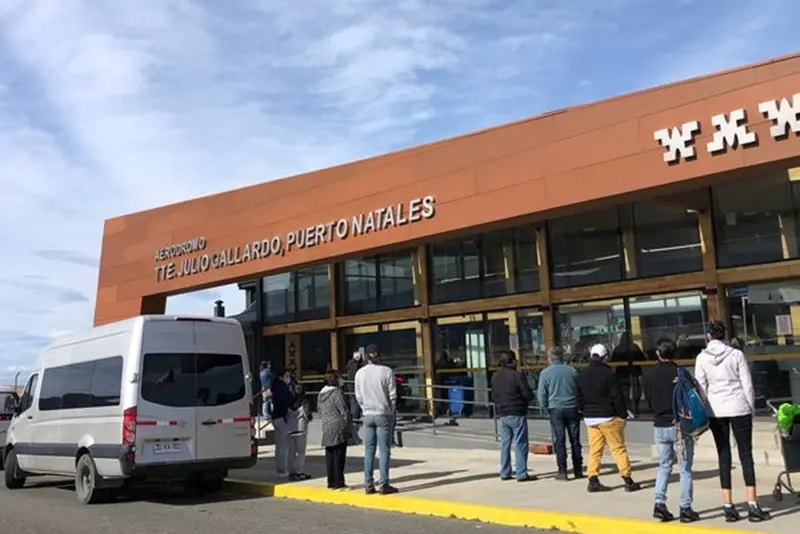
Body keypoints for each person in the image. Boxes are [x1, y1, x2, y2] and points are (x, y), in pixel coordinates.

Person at [695, 321, 770, 523]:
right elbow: (747, 383)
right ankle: (752, 504)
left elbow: (701, 387)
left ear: (709, 336)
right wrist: (751, 407)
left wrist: (704, 409)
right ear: (724, 335)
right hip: (738, 407)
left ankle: (728, 506)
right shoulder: (736, 354)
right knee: (746, 454)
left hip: (715, 409)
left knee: (723, 455)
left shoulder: (701, 358)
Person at [642, 340, 700, 523]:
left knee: (664, 465)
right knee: (685, 468)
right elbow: (693, 396)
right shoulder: (681, 373)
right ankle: (685, 508)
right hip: (679, 426)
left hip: (660, 425)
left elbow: (648, 400)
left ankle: (659, 503)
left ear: (658, 354)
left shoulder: (649, 375)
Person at [576, 343, 640, 493]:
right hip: (608, 416)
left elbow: (578, 397)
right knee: (618, 449)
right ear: (605, 357)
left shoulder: (581, 375)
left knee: (595, 449)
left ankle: (592, 479)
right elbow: (617, 397)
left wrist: (584, 411)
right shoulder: (609, 374)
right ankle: (627, 479)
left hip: (590, 418)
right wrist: (622, 415)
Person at [354, 344, 398, 495]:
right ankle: (384, 483)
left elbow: (358, 396)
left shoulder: (359, 373)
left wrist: (364, 408)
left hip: (367, 414)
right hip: (383, 413)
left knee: (369, 450)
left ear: (367, 357)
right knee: (384, 450)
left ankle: (368, 483)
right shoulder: (387, 371)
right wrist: (390, 411)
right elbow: (393, 396)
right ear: (379, 356)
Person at [537, 347, 582, 480]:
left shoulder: (545, 373)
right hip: (572, 407)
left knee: (560, 440)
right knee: (575, 440)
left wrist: (544, 406)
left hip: (555, 409)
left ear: (550, 358)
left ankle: (562, 470)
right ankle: (578, 469)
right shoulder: (572, 371)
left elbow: (541, 393)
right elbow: (578, 389)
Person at [490, 349, 536, 482]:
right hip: (517, 411)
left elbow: (493, 395)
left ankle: (505, 472)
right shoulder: (517, 375)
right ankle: (521, 473)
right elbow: (527, 393)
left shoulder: (495, 376)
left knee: (505, 443)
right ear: (513, 361)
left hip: (502, 413)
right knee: (521, 443)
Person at [318, 369, 351, 490]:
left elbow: (319, 410)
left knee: (330, 456)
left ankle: (330, 481)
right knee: (339, 457)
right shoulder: (337, 393)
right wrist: (348, 425)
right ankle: (339, 482)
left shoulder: (321, 394)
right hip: (338, 427)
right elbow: (344, 410)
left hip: (327, 427)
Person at [611, 332, 646, 417]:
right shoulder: (634, 347)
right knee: (636, 391)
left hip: (622, 374)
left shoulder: (618, 348)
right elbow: (643, 359)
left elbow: (613, 361)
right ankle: (636, 408)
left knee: (624, 393)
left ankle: (627, 409)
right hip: (634, 373)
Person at [270, 367, 295, 477]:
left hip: (277, 416)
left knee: (280, 444)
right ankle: (282, 469)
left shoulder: (277, 385)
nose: (288, 378)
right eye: (287, 375)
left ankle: (281, 468)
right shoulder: (282, 387)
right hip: (281, 417)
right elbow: (286, 401)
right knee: (283, 446)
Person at [288, 378, 311, 481]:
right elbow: (308, 415)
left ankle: (291, 472)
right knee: (301, 452)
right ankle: (299, 471)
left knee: (291, 452)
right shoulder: (304, 402)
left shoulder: (288, 403)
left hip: (290, 429)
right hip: (301, 430)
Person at [345, 351, 364, 444]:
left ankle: (355, 420)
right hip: (354, 387)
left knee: (354, 403)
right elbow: (354, 378)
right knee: (355, 404)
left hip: (351, 387)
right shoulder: (355, 366)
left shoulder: (350, 365)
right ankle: (355, 420)